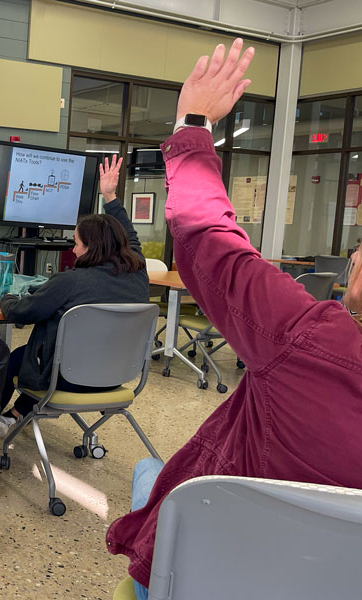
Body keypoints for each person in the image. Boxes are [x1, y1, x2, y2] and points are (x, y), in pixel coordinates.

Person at [105, 39, 362, 600]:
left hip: (219, 576)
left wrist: (194, 122)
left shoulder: (310, 338)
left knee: (150, 476)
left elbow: (209, 240)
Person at [0, 155, 149, 419]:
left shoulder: (70, 282)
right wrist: (110, 197)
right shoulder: (138, 273)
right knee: (46, 357)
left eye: (77, 242)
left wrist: (8, 297)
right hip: (117, 376)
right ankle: (18, 414)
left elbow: (22, 313)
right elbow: (129, 237)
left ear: (91, 247)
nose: (73, 248)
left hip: (68, 378)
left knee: (17, 359)